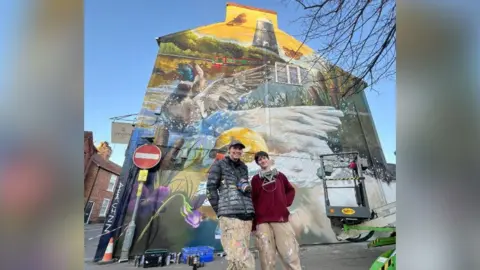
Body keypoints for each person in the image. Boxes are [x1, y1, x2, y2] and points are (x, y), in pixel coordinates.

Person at [206, 140, 255, 270]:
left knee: (236, 256)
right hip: (230, 216)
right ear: (229, 149)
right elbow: (210, 188)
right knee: (242, 255)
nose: (237, 151)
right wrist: (220, 210)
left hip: (246, 216)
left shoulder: (244, 167)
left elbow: (243, 186)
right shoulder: (219, 165)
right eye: (235, 148)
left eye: (240, 149)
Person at [251, 151, 302, 270]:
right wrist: (254, 225)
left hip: (281, 219)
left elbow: (290, 190)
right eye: (259, 160)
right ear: (258, 163)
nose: (263, 161)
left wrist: (284, 203)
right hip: (262, 221)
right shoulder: (255, 179)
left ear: (268, 159)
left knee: (289, 252)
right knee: (266, 255)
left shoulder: (280, 176)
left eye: (264, 158)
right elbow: (253, 200)